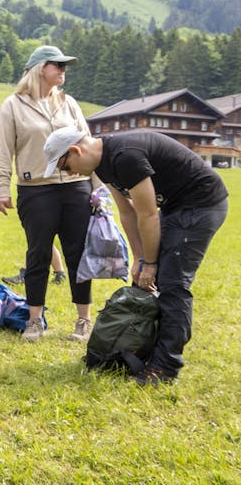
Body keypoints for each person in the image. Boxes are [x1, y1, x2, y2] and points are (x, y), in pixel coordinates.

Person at [42, 127, 228, 385]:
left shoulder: (125, 156)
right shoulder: (103, 162)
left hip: (202, 205)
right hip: (175, 206)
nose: (69, 173)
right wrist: (140, 258)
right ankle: (139, 352)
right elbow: (127, 212)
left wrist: (151, 263)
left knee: (173, 284)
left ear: (75, 150)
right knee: (150, 279)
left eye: (65, 166)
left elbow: (148, 214)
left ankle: (165, 368)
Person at [0, 45, 94, 342]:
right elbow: (3, 150)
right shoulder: (12, 105)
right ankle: (34, 321)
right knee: (37, 254)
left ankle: (84, 321)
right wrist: (1, 187)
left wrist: (98, 189)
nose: (63, 70)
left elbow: (88, 145)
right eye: (57, 65)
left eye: (65, 66)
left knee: (78, 254)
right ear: (39, 68)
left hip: (76, 187)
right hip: (35, 190)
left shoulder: (70, 103)